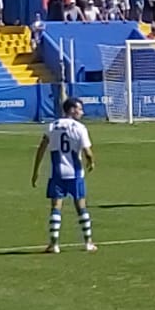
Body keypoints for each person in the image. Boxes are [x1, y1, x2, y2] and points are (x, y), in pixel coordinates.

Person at [33, 97, 97, 252]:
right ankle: (88, 242)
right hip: (75, 173)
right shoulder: (80, 128)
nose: (82, 112)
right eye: (80, 109)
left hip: (57, 174)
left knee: (56, 207)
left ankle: (53, 244)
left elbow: (41, 148)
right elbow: (87, 152)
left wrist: (36, 171)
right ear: (72, 110)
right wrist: (91, 162)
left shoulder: (52, 126)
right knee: (81, 206)